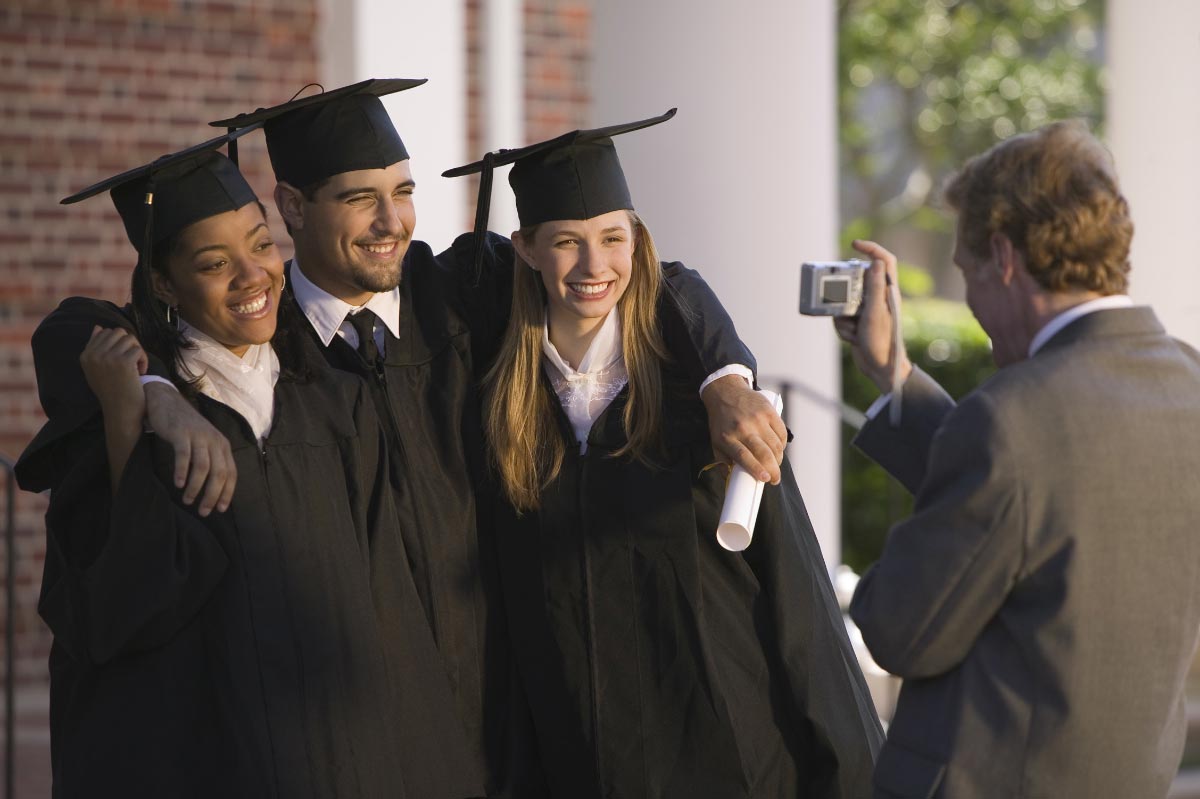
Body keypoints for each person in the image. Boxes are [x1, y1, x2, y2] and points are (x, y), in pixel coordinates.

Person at [24, 79, 787, 797]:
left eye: (404, 193)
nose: (393, 222)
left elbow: (649, 279)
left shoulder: (456, 296)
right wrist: (157, 394)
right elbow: (86, 327)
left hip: (494, 715)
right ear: (291, 206)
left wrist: (725, 377)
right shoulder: (261, 347)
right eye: (361, 199)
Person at [17, 134, 472, 797]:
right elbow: (116, 612)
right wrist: (143, 404)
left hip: (342, 759)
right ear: (165, 283)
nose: (253, 275)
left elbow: (387, 607)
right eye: (214, 262)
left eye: (261, 245)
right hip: (213, 760)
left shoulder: (331, 396)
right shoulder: (144, 411)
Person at [445, 110, 883, 799]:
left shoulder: (702, 403)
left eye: (613, 238)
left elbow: (799, 604)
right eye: (566, 241)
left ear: (636, 240)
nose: (595, 266)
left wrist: (850, 772)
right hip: (575, 763)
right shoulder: (503, 406)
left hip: (733, 760)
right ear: (524, 246)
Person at [837, 120, 1200, 798]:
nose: (972, 303)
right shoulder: (1188, 380)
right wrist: (896, 376)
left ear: (1003, 256)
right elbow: (1047, 495)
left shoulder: (1012, 416)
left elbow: (903, 630)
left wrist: (868, 582)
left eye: (967, 273)